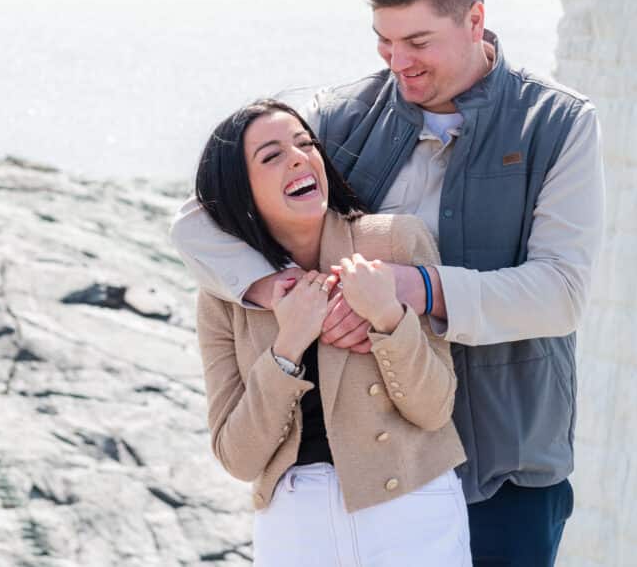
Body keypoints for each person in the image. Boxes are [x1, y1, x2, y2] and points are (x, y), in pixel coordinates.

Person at [171, 0, 604, 566]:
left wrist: (413, 290)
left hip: (507, 464)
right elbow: (201, 214)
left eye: (418, 42)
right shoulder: (338, 116)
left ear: (475, 19)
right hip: (377, 470)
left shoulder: (558, 123)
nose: (398, 62)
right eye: (385, 41)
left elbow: (561, 293)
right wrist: (278, 286)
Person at [193, 98, 470, 566]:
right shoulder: (225, 295)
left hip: (411, 508)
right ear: (240, 189)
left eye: (305, 143)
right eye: (272, 155)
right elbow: (238, 458)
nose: (300, 157)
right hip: (295, 523)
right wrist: (287, 346)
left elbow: (434, 407)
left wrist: (387, 317)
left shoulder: (396, 241)